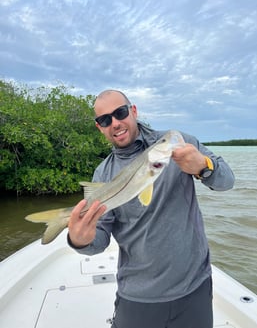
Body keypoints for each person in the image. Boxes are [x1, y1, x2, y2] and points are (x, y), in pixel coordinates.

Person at [68, 89, 235, 328]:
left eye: (120, 113)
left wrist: (203, 166)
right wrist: (80, 241)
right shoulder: (103, 173)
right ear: (100, 127)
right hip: (137, 296)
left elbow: (227, 182)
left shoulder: (179, 144)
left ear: (133, 111)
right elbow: (99, 241)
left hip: (194, 286)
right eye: (105, 120)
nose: (115, 123)